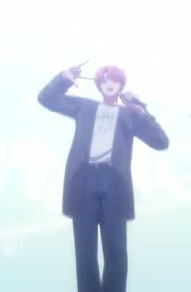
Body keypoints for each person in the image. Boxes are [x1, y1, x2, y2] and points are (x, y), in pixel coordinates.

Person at [38, 63, 169, 292]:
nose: (110, 84)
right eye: (105, 80)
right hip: (84, 181)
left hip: (114, 183)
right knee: (85, 252)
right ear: (98, 85)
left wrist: (142, 112)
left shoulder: (130, 115)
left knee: (116, 251)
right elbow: (46, 99)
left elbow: (161, 142)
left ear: (121, 84)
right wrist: (63, 79)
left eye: (114, 80)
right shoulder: (85, 107)